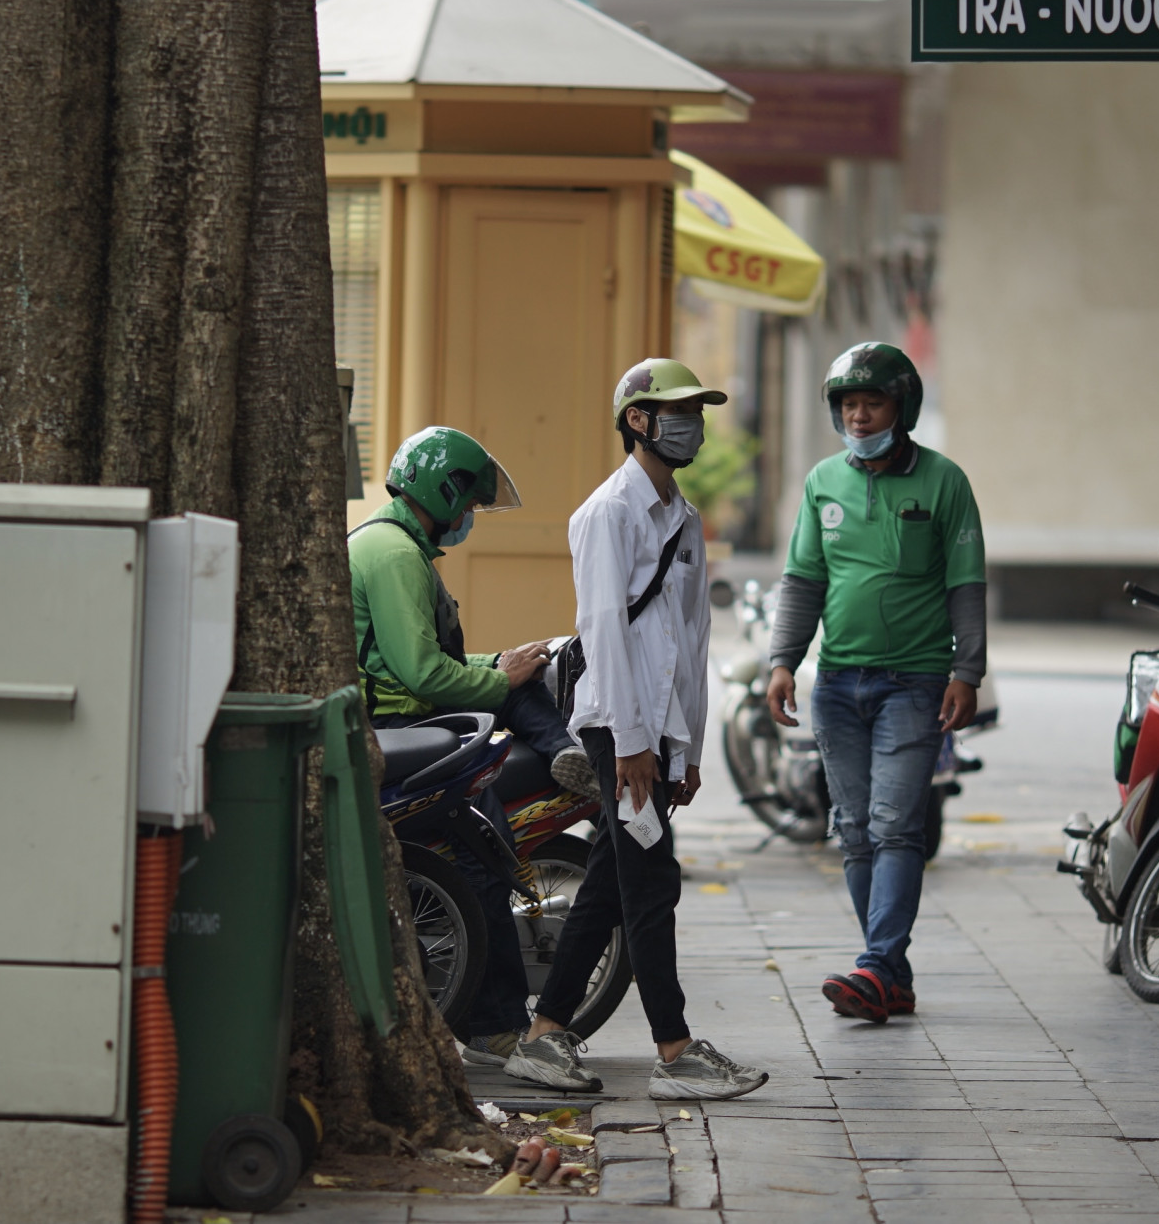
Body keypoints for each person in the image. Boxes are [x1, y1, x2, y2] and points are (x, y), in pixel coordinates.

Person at [502, 359, 770, 1100]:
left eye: (698, 410)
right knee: (651, 878)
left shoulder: (682, 518)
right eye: (677, 410)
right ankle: (675, 1049)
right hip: (615, 732)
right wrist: (631, 744)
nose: (695, 423)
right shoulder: (607, 514)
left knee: (617, 883)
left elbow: (691, 642)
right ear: (638, 421)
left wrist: (684, 746)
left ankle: (546, 1033)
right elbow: (606, 637)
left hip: (654, 737)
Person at [349, 425, 601, 1083]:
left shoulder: (391, 543)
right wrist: (500, 675)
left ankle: (564, 752)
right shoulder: (394, 553)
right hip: (401, 725)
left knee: (513, 681)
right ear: (445, 490)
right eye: (469, 506)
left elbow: (423, 666)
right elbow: (424, 676)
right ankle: (495, 1026)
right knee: (483, 854)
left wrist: (500, 667)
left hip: (405, 714)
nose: (469, 520)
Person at [765, 342, 986, 1023]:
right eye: (848, 405)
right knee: (854, 830)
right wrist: (782, 661)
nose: (859, 416)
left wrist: (967, 670)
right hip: (836, 684)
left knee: (895, 826)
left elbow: (966, 582)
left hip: (914, 683)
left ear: (903, 407)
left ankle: (877, 965)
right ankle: (886, 969)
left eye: (872, 403)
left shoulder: (945, 481)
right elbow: (804, 579)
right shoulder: (822, 481)